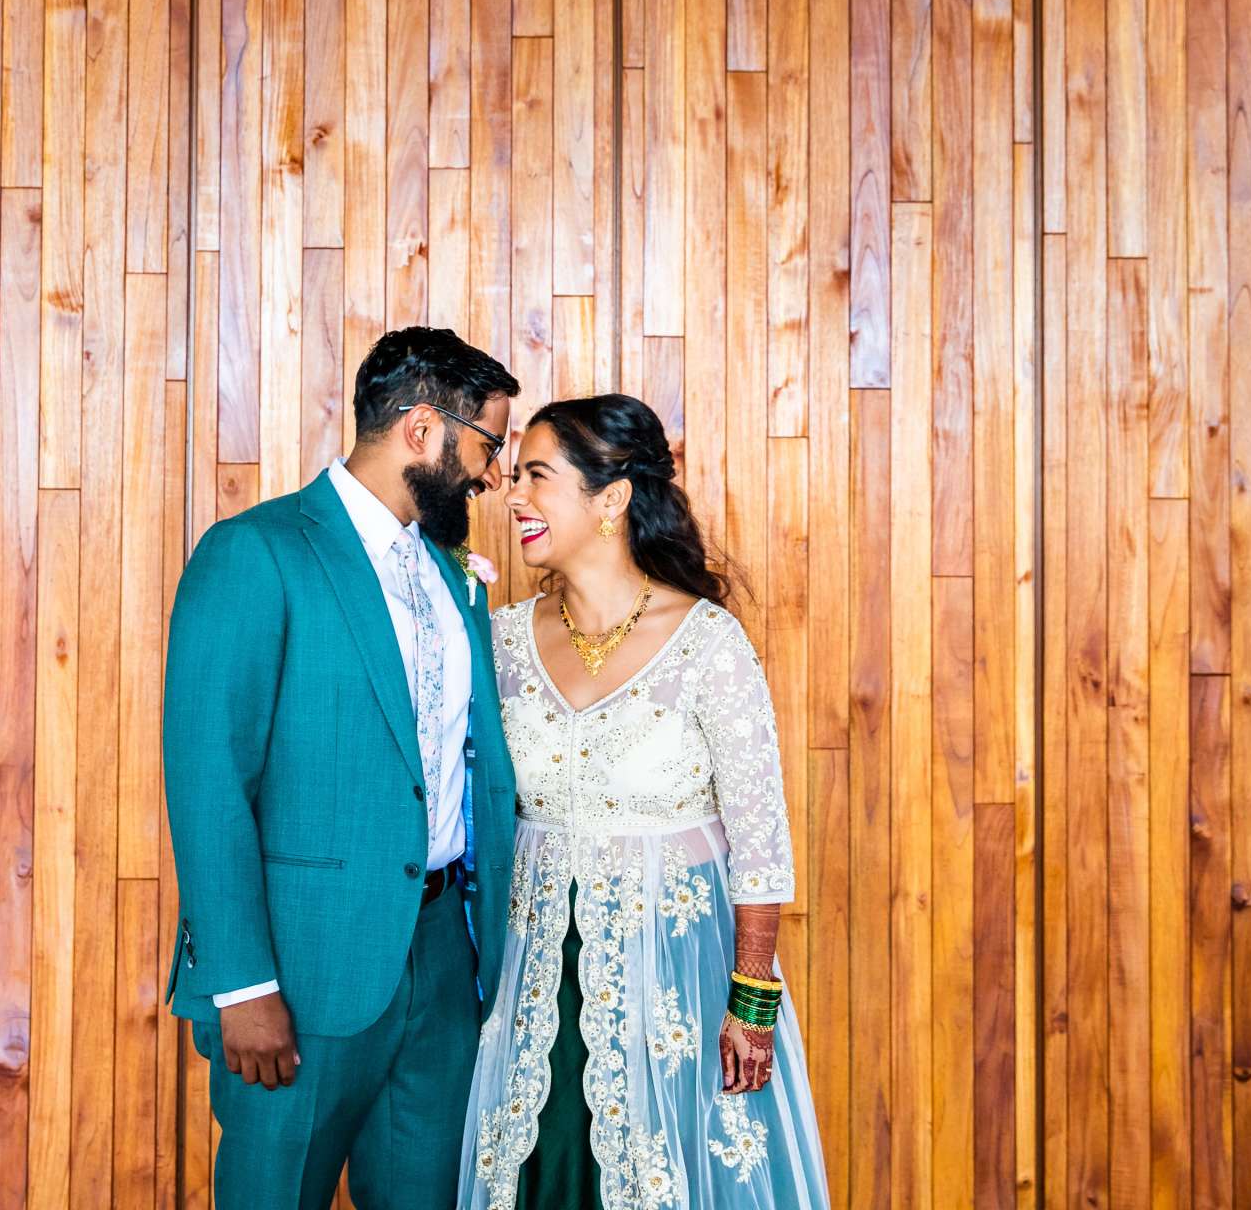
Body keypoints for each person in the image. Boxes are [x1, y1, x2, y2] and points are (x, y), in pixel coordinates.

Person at [163, 326, 523, 1209]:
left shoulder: (454, 575)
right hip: (302, 970)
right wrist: (241, 985)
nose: (491, 476)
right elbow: (209, 779)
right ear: (421, 432)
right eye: (487, 445)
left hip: (443, 965)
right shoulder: (257, 552)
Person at [459, 395, 831, 1208]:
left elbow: (761, 840)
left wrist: (751, 1001)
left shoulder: (707, 643)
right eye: (514, 474)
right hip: (536, 980)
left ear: (612, 499)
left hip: (677, 985)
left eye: (536, 477)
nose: (513, 495)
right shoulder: (505, 640)